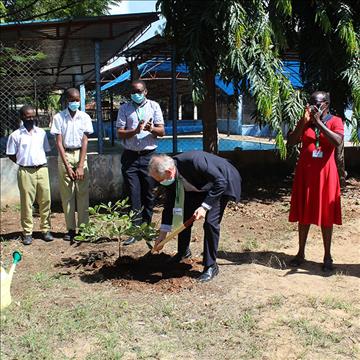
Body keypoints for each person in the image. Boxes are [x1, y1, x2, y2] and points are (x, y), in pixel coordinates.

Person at [148, 151, 241, 282]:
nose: (159, 183)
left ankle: (210, 266)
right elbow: (170, 204)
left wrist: (204, 207)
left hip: (222, 183)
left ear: (169, 172)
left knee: (210, 223)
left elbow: (220, 182)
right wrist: (162, 234)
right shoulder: (170, 176)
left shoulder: (194, 162)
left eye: (159, 180)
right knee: (184, 216)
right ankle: (183, 252)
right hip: (200, 186)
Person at [288, 91, 344, 271]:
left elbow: (337, 141)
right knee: (304, 213)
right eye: (311, 103)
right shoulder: (305, 121)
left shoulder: (335, 121)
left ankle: (327, 256)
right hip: (306, 173)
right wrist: (304, 123)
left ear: (326, 104)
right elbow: (291, 142)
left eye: (317, 104)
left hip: (326, 174)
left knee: (326, 215)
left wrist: (319, 122)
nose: (313, 107)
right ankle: (300, 252)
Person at [117, 80, 165, 245]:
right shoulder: (124, 108)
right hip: (130, 157)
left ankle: (147, 229)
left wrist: (151, 129)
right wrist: (135, 131)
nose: (135, 94)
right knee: (133, 194)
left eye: (138, 91)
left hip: (148, 157)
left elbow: (162, 131)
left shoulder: (154, 106)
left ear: (145, 92)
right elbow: (120, 133)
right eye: (133, 92)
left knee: (149, 194)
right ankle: (135, 231)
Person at [6, 105, 53, 245]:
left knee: (46, 201)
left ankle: (46, 230)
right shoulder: (15, 135)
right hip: (25, 171)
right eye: (28, 116)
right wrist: (23, 162)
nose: (31, 118)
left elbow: (45, 150)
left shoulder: (42, 133)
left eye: (33, 116)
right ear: (22, 117)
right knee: (27, 203)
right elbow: (11, 155)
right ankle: (27, 232)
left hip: (42, 169)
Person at [51, 88, 93, 242]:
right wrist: (67, 166)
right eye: (72, 100)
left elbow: (85, 141)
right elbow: (59, 143)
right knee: (67, 194)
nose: (75, 103)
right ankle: (70, 229)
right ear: (66, 100)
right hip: (65, 154)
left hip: (81, 154)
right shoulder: (58, 117)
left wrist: (81, 165)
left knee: (82, 193)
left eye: (77, 100)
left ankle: (84, 229)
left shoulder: (85, 117)